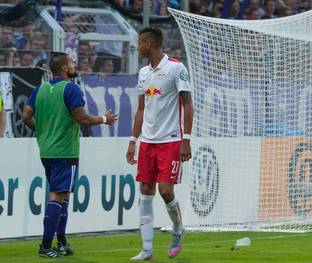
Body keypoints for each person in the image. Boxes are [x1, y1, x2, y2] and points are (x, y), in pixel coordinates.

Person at [21, 52, 118, 258]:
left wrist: (42, 131)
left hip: (47, 151)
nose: (75, 65)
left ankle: (62, 242)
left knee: (63, 194)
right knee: (58, 194)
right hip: (65, 150)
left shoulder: (40, 90)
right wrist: (103, 119)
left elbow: (25, 116)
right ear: (64, 68)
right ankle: (46, 246)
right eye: (72, 63)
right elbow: (81, 118)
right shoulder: (71, 89)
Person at [126, 26, 193, 261]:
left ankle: (178, 229)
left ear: (149, 44)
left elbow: (187, 104)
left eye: (140, 43)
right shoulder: (143, 73)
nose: (138, 46)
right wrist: (133, 141)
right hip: (147, 142)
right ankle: (147, 249)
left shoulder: (176, 68)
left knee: (165, 191)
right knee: (145, 191)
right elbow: (141, 109)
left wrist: (186, 140)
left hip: (171, 140)